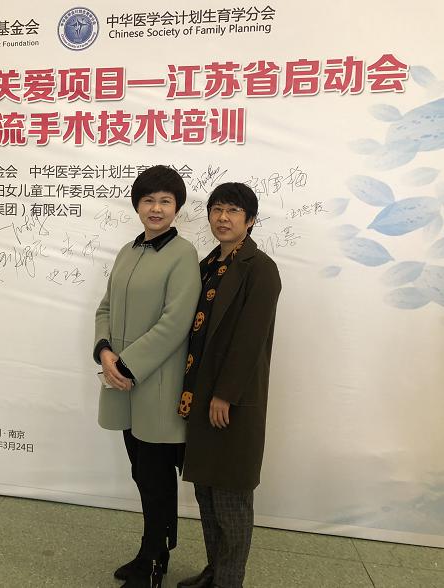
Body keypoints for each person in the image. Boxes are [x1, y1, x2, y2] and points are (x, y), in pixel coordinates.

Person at [94, 165, 201, 588]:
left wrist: (126, 365)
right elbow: (105, 308)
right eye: (148, 200)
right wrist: (105, 351)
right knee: (141, 472)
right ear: (137, 205)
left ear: (177, 208)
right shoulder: (128, 250)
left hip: (155, 385)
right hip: (122, 382)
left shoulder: (183, 254)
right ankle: (151, 553)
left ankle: (154, 560)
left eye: (165, 201)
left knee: (156, 478)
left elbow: (176, 322)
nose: (156, 208)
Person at [176, 183, 281, 588]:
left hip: (231, 401)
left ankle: (229, 580)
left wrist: (225, 394)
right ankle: (214, 571)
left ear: (250, 220)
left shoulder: (260, 268)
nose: (223, 218)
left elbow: (251, 339)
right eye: (217, 209)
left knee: (231, 496)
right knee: (206, 492)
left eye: (233, 211)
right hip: (198, 394)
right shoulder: (207, 264)